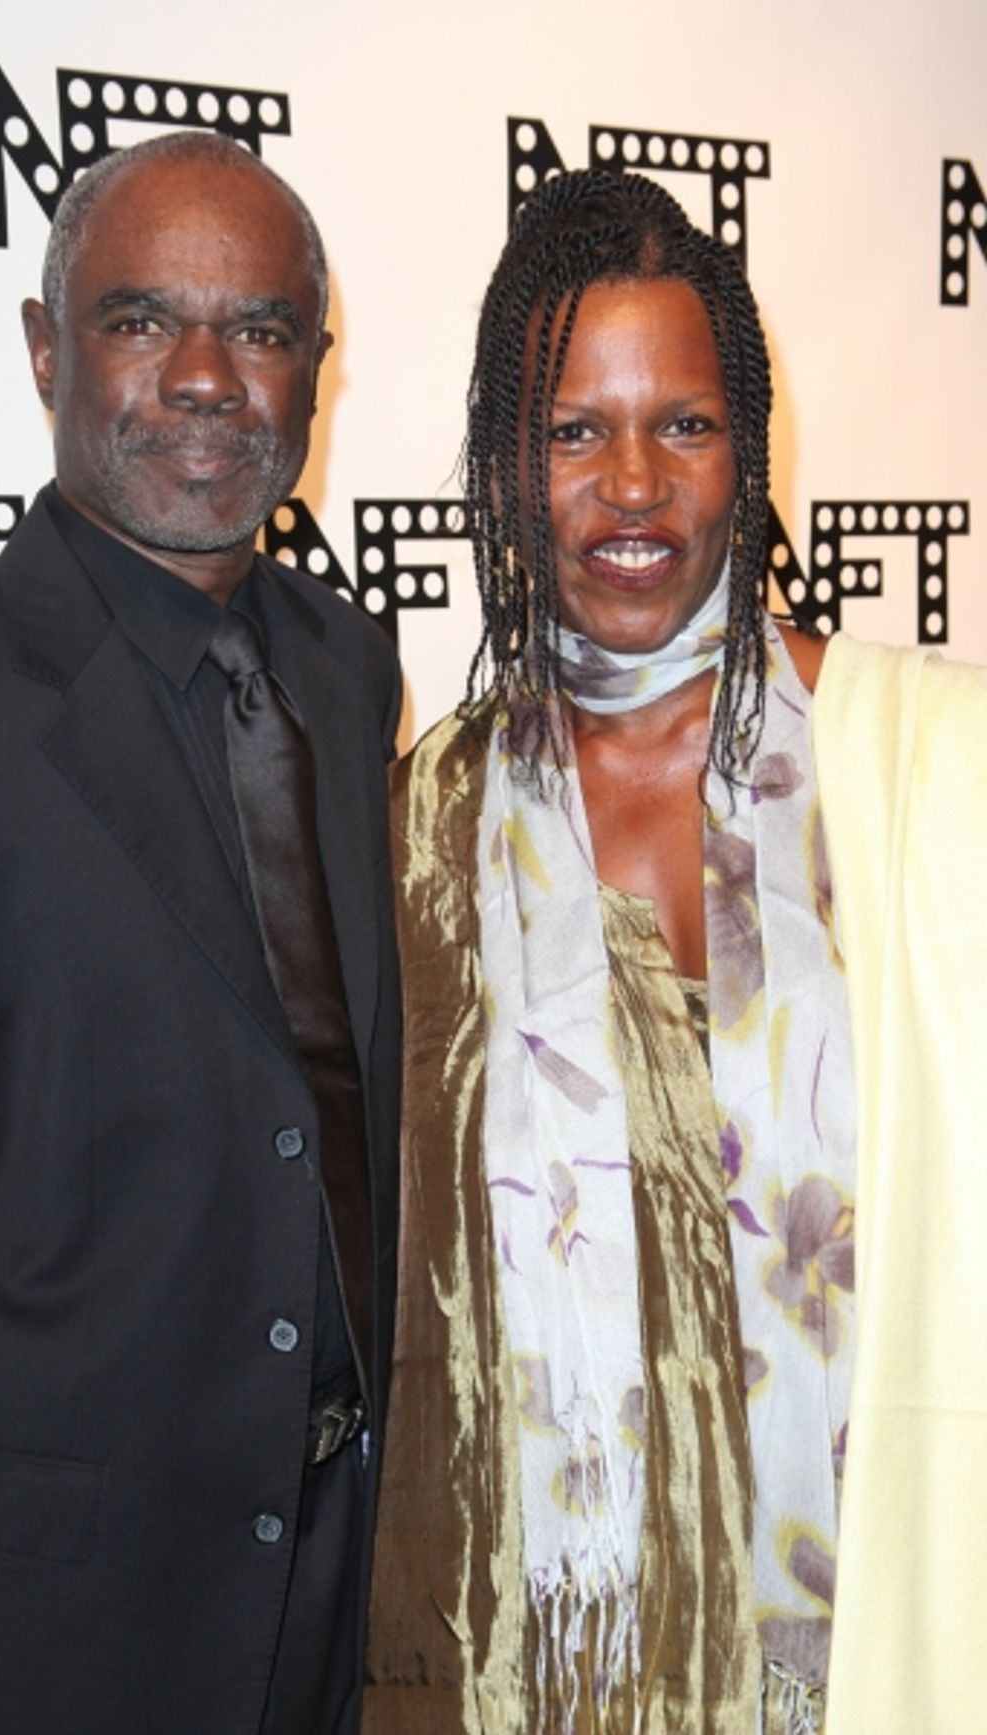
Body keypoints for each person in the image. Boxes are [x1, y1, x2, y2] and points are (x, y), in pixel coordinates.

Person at [0, 131, 400, 1735]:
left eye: (261, 330)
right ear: (48, 350)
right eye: (144, 320)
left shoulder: (350, 675)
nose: (207, 377)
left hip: (346, 1604)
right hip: (62, 1646)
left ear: (313, 375)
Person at [363, 169, 987, 1734]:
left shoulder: (930, 767)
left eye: (686, 425)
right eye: (574, 430)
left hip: (866, 1644)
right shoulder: (420, 827)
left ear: (751, 450)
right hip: (537, 1660)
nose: (632, 485)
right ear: (507, 466)